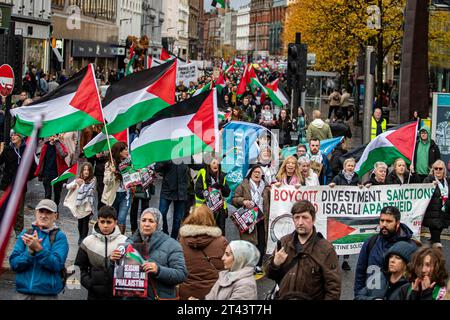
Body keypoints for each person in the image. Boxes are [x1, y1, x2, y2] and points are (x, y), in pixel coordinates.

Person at [264, 200, 341, 300]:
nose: (300, 222)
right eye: (297, 217)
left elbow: (333, 289)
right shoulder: (283, 243)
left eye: (305, 217)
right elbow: (270, 274)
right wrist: (275, 264)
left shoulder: (326, 249)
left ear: (313, 220)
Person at [112, 208, 187, 300]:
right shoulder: (128, 243)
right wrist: (113, 261)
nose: (146, 224)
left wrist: (158, 270)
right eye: (143, 220)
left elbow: (181, 275)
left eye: (151, 221)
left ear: (158, 224)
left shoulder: (172, 245)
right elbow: (116, 275)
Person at [9, 199, 69, 300]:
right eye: (41, 211)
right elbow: (14, 264)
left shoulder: (59, 237)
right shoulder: (26, 233)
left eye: (48, 212)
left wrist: (39, 249)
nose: (43, 216)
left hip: (47, 295)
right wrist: (30, 253)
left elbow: (56, 265)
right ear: (36, 213)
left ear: (56, 216)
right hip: (21, 294)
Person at [354, 206, 418, 295]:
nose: (384, 224)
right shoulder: (371, 242)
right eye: (382, 220)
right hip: (371, 295)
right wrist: (359, 295)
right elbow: (360, 273)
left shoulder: (410, 247)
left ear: (397, 223)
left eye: (389, 221)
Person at [74, 206, 128, 300]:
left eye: (109, 222)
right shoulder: (87, 242)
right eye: (102, 222)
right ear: (98, 222)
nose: (105, 225)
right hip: (94, 295)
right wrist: (90, 283)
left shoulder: (125, 242)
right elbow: (80, 268)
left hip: (117, 295)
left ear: (115, 222)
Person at [178, 205, 228, 300]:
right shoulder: (221, 241)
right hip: (213, 293)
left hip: (186, 293)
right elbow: (227, 268)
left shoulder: (182, 241)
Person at [189, 240, 260, 300]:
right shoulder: (226, 275)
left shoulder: (246, 285)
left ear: (239, 259)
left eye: (227, 255)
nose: (223, 258)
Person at [232, 165, 270, 273]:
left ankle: (258, 264)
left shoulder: (266, 187)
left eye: (259, 172)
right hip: (249, 219)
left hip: (263, 218)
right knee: (249, 243)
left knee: (262, 242)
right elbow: (234, 199)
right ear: (250, 173)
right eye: (255, 172)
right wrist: (243, 201)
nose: (257, 174)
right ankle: (249, 265)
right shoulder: (243, 185)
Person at [0, 131, 35, 235]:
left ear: (21, 137)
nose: (13, 137)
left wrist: (25, 178)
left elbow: (32, 168)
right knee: (4, 207)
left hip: (20, 185)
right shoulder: (7, 149)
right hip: (7, 184)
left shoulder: (27, 150)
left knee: (19, 210)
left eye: (15, 135)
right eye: (12, 135)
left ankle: (18, 230)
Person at [329, 157, 361, 271]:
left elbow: (360, 189)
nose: (351, 168)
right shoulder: (338, 178)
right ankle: (335, 260)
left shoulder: (357, 177)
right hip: (339, 211)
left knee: (348, 236)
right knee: (337, 236)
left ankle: (346, 261)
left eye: (352, 166)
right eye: (349, 165)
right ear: (345, 167)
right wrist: (332, 186)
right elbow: (331, 188)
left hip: (350, 212)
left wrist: (360, 187)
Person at [194, 157, 231, 235]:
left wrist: (222, 186)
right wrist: (213, 189)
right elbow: (198, 192)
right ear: (209, 165)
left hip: (220, 209)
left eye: (217, 163)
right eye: (213, 163)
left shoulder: (221, 175)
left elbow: (227, 193)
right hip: (205, 209)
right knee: (206, 234)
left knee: (220, 233)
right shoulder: (203, 173)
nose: (216, 165)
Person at [102, 141, 131, 234]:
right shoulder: (110, 164)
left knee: (122, 218)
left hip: (126, 195)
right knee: (112, 218)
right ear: (119, 152)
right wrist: (112, 173)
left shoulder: (130, 163)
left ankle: (120, 240)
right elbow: (105, 181)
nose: (127, 151)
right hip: (113, 195)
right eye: (125, 149)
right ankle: (111, 237)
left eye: (127, 149)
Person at [155, 160, 189, 239]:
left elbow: (196, 165)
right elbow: (157, 168)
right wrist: (166, 161)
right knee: (161, 213)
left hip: (181, 191)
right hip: (167, 190)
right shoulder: (166, 153)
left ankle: (173, 239)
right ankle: (165, 234)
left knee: (177, 219)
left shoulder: (185, 153)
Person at [64, 162, 96, 245]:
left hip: (87, 206)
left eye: (88, 170)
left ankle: (83, 239)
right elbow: (69, 186)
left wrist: (82, 185)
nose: (86, 171)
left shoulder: (92, 180)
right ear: (82, 171)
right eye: (84, 170)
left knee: (85, 223)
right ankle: (80, 237)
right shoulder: (78, 180)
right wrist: (70, 185)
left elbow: (89, 190)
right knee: (80, 223)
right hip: (79, 206)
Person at [35, 135, 68, 207]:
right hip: (47, 173)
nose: (52, 138)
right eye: (50, 136)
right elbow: (41, 161)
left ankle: (55, 210)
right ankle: (47, 210)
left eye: (54, 136)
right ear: (48, 137)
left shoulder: (60, 145)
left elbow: (63, 154)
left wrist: (57, 143)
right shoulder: (45, 146)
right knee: (48, 194)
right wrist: (40, 173)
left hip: (58, 174)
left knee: (57, 194)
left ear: (57, 137)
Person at [422, 160, 450, 246]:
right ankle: (438, 257)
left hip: (444, 214)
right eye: (436, 168)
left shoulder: (448, 181)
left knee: (435, 240)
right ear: (433, 170)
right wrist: (430, 186)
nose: (438, 170)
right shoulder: (428, 180)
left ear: (443, 170)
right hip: (432, 215)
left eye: (440, 168)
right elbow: (422, 193)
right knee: (437, 242)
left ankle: (430, 252)